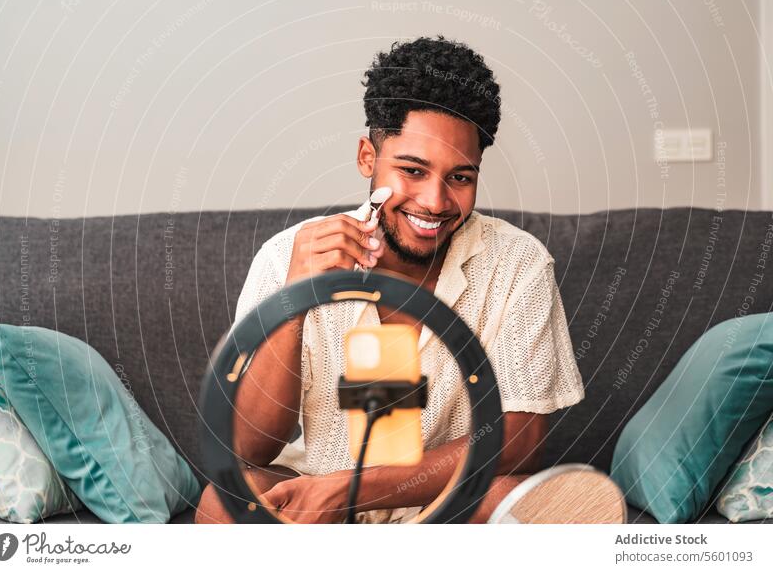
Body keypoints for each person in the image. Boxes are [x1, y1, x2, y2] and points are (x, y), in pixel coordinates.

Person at [196, 36, 586, 524]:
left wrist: (352, 491)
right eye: (412, 169)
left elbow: (521, 439)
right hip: (319, 503)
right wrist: (291, 302)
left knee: (523, 501)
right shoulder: (287, 256)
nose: (435, 201)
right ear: (367, 157)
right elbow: (250, 444)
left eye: (460, 178)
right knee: (225, 503)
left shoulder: (517, 263)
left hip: (447, 505)